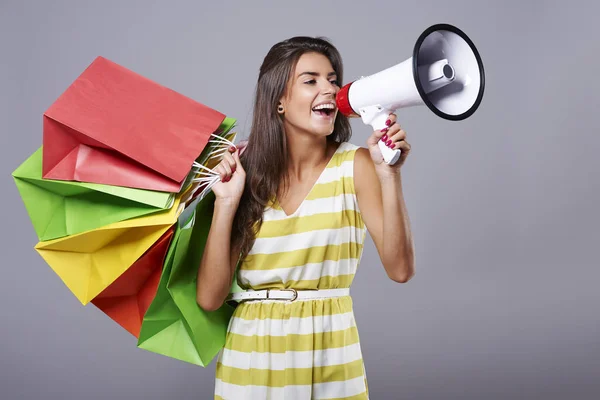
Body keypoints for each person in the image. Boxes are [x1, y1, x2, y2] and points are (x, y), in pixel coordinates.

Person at [196, 36, 415, 400]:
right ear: (279, 101)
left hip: (330, 356)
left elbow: (401, 269)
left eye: (332, 79)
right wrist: (226, 201)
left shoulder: (356, 165)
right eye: (310, 80)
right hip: (250, 365)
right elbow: (209, 297)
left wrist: (389, 175)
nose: (329, 89)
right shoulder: (245, 175)